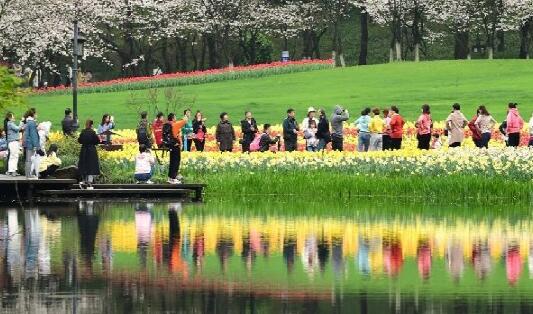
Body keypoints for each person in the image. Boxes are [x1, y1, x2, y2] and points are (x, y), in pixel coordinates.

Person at [164, 113, 187, 184]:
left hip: (171, 146)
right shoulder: (174, 125)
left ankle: (170, 178)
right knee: (176, 162)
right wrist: (186, 116)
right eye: (175, 117)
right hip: (175, 146)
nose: (176, 118)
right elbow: (184, 121)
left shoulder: (167, 125)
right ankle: (173, 178)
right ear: (173, 118)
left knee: (172, 161)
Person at [78, 120, 100, 189]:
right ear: (91, 125)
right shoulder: (93, 132)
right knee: (91, 166)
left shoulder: (83, 132)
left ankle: (84, 181)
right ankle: (89, 183)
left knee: (84, 166)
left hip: (84, 150)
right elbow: (97, 141)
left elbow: (79, 140)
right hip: (91, 151)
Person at [23, 110, 40, 179]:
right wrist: (36, 145)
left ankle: (28, 174)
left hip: (28, 143)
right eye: (36, 114)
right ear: (33, 114)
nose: (37, 115)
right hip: (31, 144)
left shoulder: (28, 122)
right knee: (29, 160)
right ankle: (28, 175)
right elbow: (33, 135)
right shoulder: (32, 123)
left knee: (28, 159)